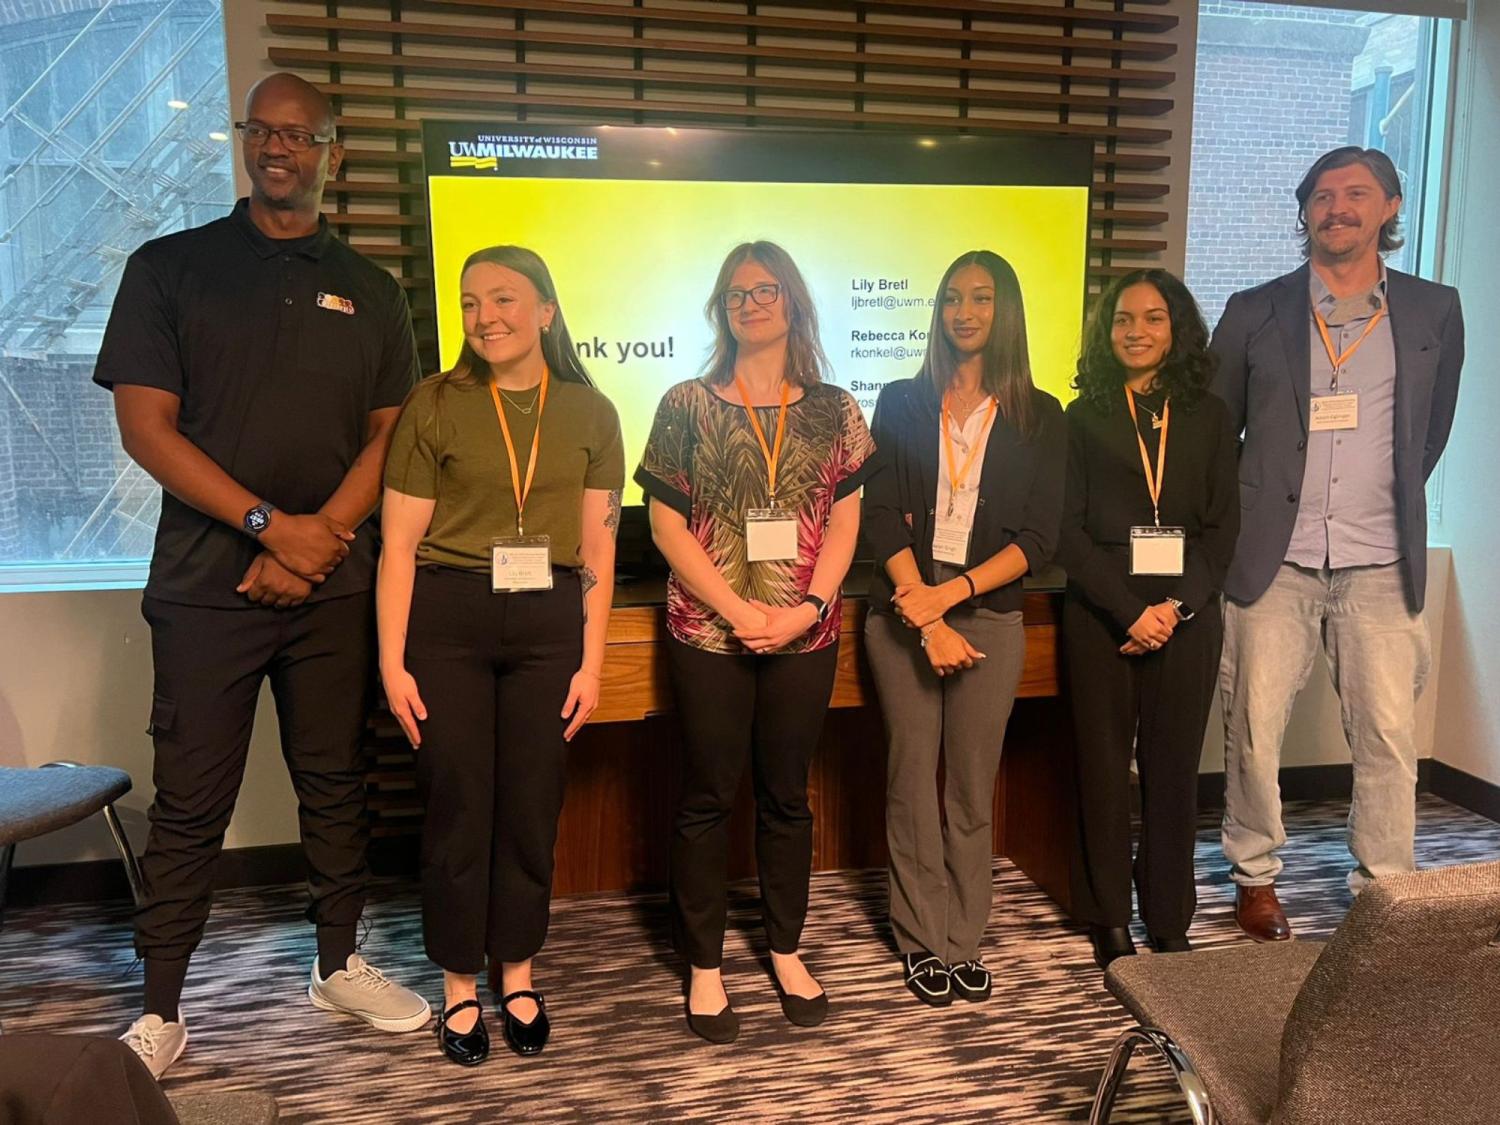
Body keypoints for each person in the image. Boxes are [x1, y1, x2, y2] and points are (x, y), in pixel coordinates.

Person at [95, 73, 429, 1079]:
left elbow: (393, 432)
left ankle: (337, 965)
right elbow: (145, 427)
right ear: (245, 142)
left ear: (336, 152)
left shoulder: (374, 292)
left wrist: (319, 536)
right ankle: (161, 1011)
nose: (277, 149)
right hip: (206, 586)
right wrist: (267, 527)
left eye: (301, 136)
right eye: (262, 132)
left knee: (335, 782)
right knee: (191, 798)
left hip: (330, 584)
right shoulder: (170, 269)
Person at [378, 246, 624, 1064]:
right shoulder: (435, 402)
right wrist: (391, 661)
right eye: (471, 301)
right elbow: (400, 546)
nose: (486, 317)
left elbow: (596, 548)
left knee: (529, 804)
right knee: (456, 804)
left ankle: (517, 969)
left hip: (549, 621)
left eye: (506, 299)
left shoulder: (591, 412)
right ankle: (457, 981)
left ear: (548, 311)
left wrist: (591, 661)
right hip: (447, 618)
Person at [1212, 146, 1464, 941]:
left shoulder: (1433, 310)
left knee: (1388, 735)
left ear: (1390, 208)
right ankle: (1254, 876)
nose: (1337, 207)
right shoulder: (1254, 309)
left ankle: (1383, 891)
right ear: (1305, 213)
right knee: (1252, 728)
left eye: (1357, 193)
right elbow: (1217, 432)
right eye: (1322, 196)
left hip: (1381, 557)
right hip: (1271, 558)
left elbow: (1430, 434)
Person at [636, 241, 873, 1043]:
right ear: (720, 308)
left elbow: (845, 523)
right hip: (709, 632)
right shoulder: (685, 404)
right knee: (706, 796)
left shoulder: (836, 408)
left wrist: (807, 606)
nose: (751, 302)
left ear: (793, 302)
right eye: (736, 293)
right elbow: (666, 526)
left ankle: (785, 946)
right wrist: (739, 609)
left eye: (766, 289)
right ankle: (704, 965)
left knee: (786, 796)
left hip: (807, 634)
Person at [861, 250, 1065, 1005]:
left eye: (981, 298)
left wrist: (953, 598)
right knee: (911, 781)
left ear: (1004, 310)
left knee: (971, 789)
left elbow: (1039, 538)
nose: (964, 311)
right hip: (904, 611)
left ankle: (962, 939)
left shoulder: (1042, 415)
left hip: (988, 616)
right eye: (952, 297)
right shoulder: (900, 400)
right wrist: (922, 605)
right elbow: (880, 515)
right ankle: (920, 940)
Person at [1058, 269, 1239, 967]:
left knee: (1173, 773)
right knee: (1101, 769)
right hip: (1103, 611)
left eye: (1153, 318)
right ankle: (1105, 911)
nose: (1137, 331)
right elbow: (1066, 531)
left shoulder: (1211, 416)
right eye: (1123, 319)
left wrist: (1174, 607)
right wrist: (1131, 610)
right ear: (1106, 334)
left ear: (1177, 328)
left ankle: (1168, 911)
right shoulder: (1081, 417)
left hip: (1186, 615)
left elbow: (1223, 529)